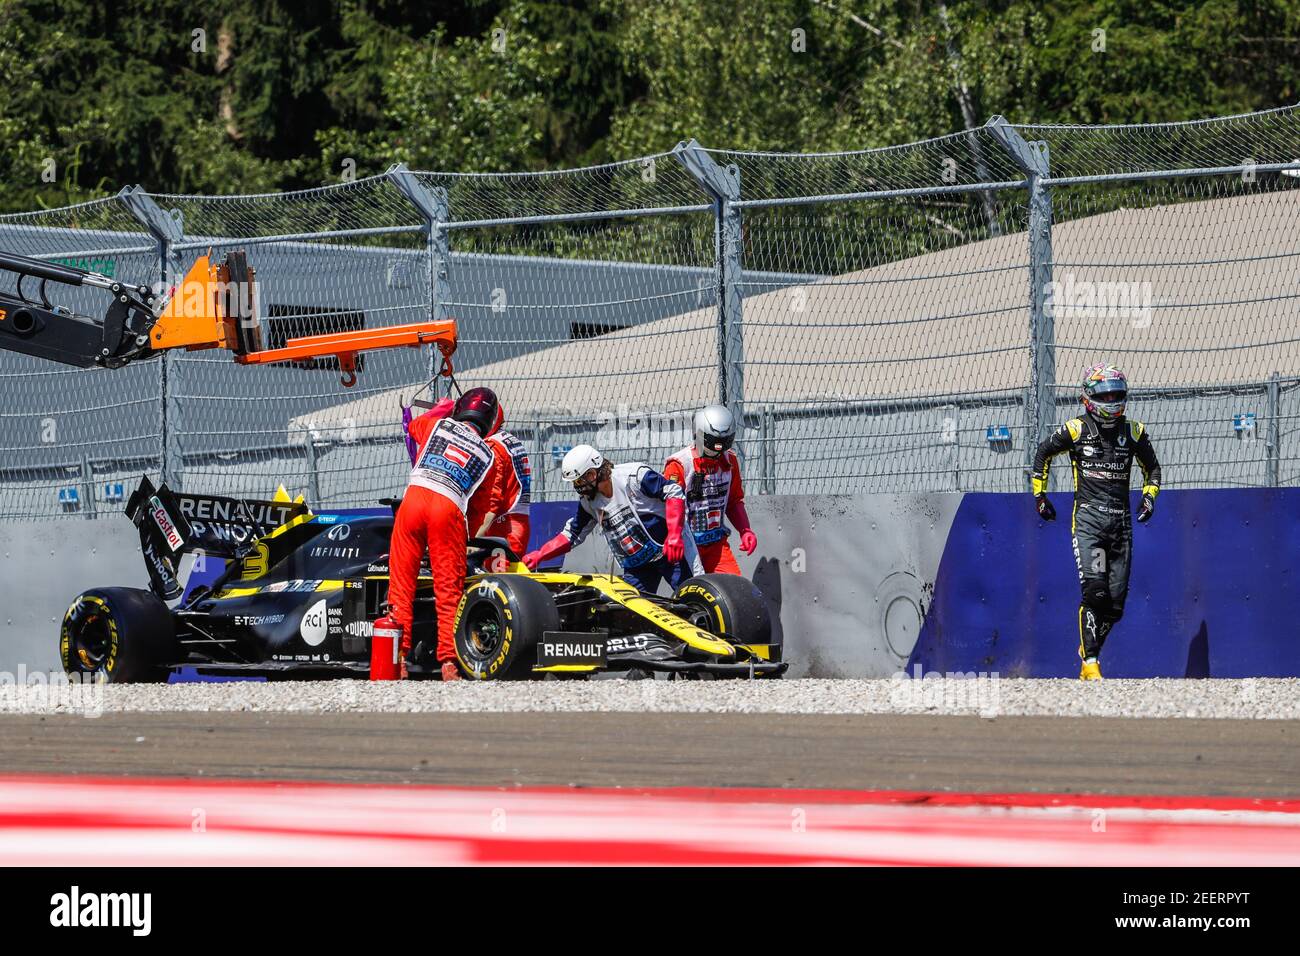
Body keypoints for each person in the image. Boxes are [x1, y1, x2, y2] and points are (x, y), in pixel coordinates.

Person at [1031, 364, 1161, 681]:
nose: (1113, 400)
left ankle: (1088, 645)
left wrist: (1149, 498)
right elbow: (1044, 452)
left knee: (1115, 607)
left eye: (1118, 394)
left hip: (1121, 526)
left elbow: (1153, 469)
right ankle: (1090, 662)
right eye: (1106, 395)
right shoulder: (1076, 429)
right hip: (1089, 525)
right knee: (1096, 594)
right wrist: (1040, 495)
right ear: (1089, 398)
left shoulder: (1134, 432)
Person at [389, 387, 503, 681]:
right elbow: (480, 509)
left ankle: (397, 660)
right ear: (489, 421)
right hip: (449, 509)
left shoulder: (437, 425)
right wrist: (464, 538)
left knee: (401, 584)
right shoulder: (489, 455)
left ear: (461, 408)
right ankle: (449, 663)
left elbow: (412, 426)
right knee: (448, 591)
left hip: (414, 500)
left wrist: (441, 408)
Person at [522, 444, 703, 592]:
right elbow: (572, 534)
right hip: (637, 567)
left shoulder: (634, 476)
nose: (578, 487)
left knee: (694, 594)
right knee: (630, 612)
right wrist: (539, 556)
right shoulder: (588, 502)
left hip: (670, 551)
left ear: (592, 474)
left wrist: (674, 536)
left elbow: (674, 493)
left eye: (579, 481)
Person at [662, 404, 757, 575]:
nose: (718, 450)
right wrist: (674, 534)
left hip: (716, 544)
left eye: (723, 443)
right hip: (687, 544)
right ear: (699, 434)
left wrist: (745, 530)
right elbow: (672, 504)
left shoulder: (730, 461)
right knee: (692, 593)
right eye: (712, 443)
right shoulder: (679, 464)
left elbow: (734, 501)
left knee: (734, 588)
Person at [470, 401, 532, 559]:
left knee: (491, 583)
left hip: (501, 530)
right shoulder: (509, 440)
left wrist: (474, 540)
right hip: (516, 524)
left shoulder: (493, 448)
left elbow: (492, 500)